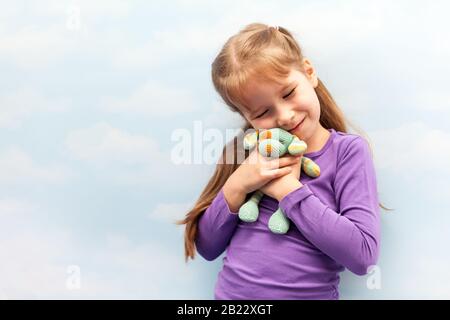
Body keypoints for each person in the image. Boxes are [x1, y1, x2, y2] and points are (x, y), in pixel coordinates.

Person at [178, 23, 385, 299]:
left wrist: (289, 191)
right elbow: (207, 247)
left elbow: (363, 256)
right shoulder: (248, 155)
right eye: (263, 112)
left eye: (288, 93)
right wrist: (237, 185)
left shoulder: (347, 152)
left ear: (309, 73)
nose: (285, 116)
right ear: (247, 118)